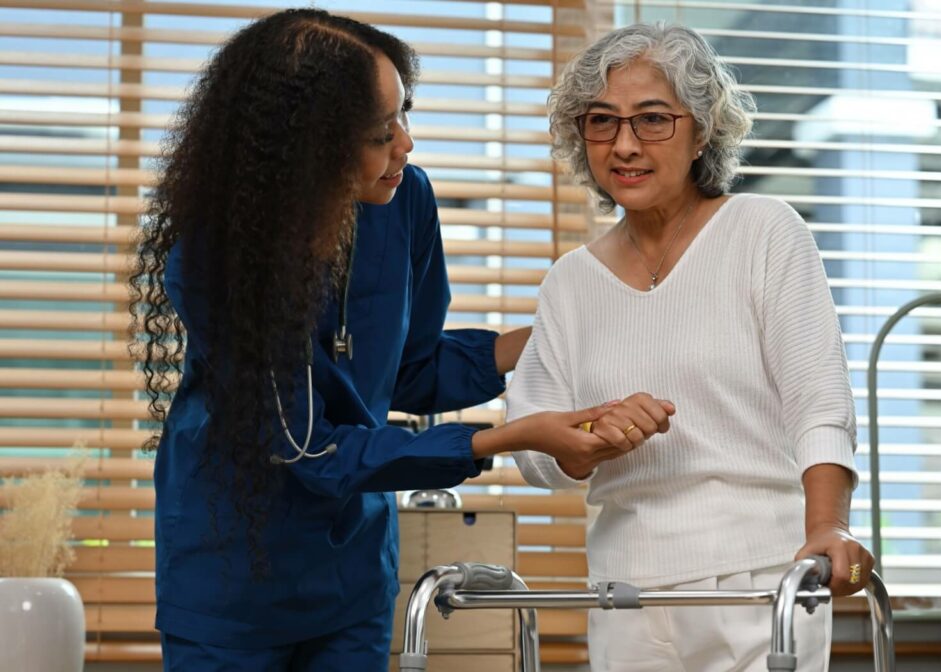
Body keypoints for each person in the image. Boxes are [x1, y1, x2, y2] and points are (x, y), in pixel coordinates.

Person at [128, 10, 674, 671]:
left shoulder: (402, 199)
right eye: (381, 133)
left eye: (404, 115)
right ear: (310, 148)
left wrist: (559, 334)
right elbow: (308, 448)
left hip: (352, 572)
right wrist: (509, 437)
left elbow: (413, 369)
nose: (406, 145)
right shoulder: (215, 259)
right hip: (232, 583)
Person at [507, 22, 874, 672]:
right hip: (625, 593)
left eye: (652, 119)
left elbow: (820, 401)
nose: (625, 144)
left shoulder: (763, 232)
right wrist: (589, 437)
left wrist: (827, 526)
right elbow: (534, 448)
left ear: (702, 129)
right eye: (602, 121)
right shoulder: (570, 282)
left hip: (761, 581)